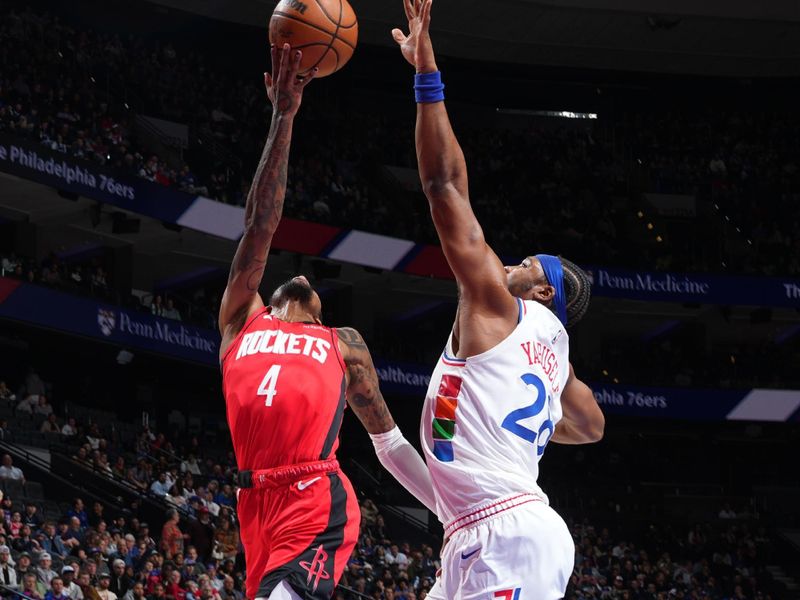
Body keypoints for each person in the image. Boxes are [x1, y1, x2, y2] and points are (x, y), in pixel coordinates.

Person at [391, 1, 605, 598]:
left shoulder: (495, 307)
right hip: (476, 532)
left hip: (506, 530)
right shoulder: (557, 362)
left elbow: (443, 186)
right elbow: (592, 427)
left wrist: (426, 76)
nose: (513, 262)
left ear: (541, 292)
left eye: (529, 264)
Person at [218, 44, 435, 600]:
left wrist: (448, 506)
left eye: (319, 291)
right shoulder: (242, 318)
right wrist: (283, 117)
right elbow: (260, 224)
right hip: (253, 505)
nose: (308, 282)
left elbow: (386, 439)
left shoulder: (343, 343)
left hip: (314, 495)